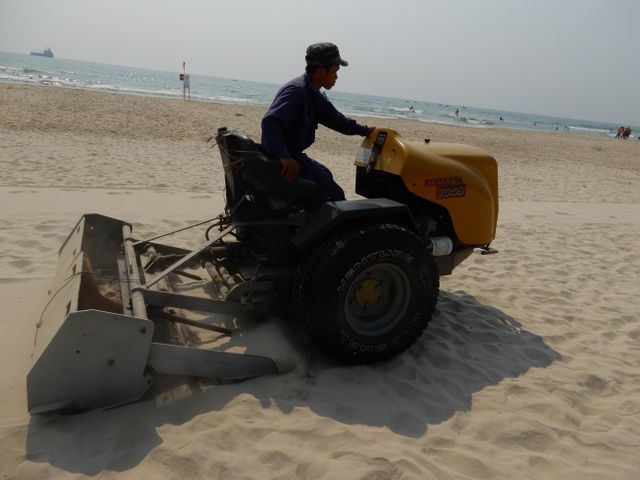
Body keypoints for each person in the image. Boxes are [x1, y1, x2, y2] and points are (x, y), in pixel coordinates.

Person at [261, 42, 374, 207]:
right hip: (281, 156)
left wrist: (366, 131)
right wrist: (284, 156)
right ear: (321, 71)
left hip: (293, 154)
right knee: (334, 194)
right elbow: (270, 122)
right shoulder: (297, 91)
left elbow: (337, 120)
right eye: (335, 71)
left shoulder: (313, 94)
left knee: (325, 175)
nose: (336, 76)